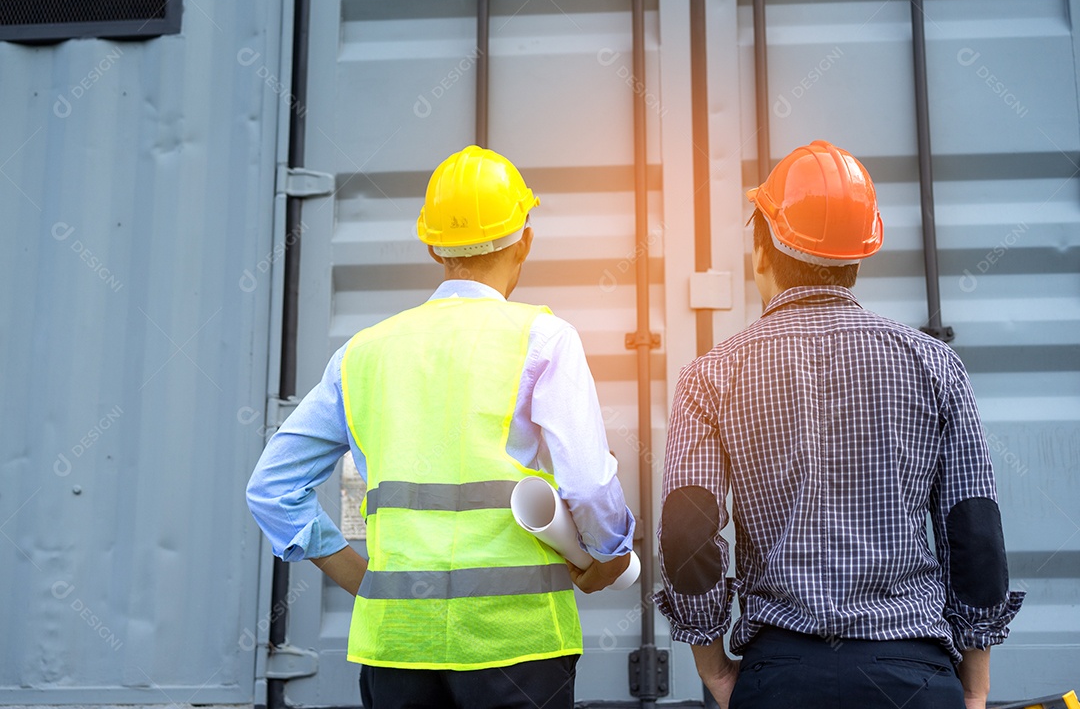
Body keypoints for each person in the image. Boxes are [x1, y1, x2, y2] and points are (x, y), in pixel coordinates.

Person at [246, 145, 635, 709]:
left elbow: (271, 488)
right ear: (526, 238)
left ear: (432, 246)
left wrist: (361, 578)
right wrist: (609, 554)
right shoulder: (543, 340)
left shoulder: (363, 353)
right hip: (517, 648)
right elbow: (589, 487)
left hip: (397, 649)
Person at [653, 140, 1023, 709]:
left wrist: (716, 669)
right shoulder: (933, 364)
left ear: (760, 251)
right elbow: (973, 527)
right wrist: (975, 685)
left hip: (780, 676)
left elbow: (685, 532)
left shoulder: (712, 375)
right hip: (914, 674)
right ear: (860, 255)